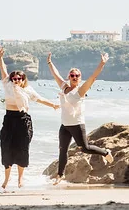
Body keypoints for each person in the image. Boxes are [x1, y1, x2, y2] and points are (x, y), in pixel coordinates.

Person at [0, 46, 60, 189]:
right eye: (14, 78)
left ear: (23, 79)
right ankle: (6, 180)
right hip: (9, 119)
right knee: (6, 149)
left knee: (22, 149)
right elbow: (3, 69)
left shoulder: (27, 90)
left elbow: (40, 99)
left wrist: (53, 105)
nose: (15, 80)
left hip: (23, 120)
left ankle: (20, 179)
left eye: (18, 78)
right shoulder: (7, 84)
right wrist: (0, 57)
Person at [46, 52, 114, 185]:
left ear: (80, 77)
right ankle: (60, 175)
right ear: (69, 77)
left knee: (85, 148)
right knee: (62, 150)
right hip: (65, 125)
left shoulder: (81, 90)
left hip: (77, 125)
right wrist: (49, 62)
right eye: (72, 75)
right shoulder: (64, 87)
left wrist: (102, 63)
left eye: (77, 75)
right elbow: (55, 74)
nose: (75, 77)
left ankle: (106, 152)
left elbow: (93, 77)